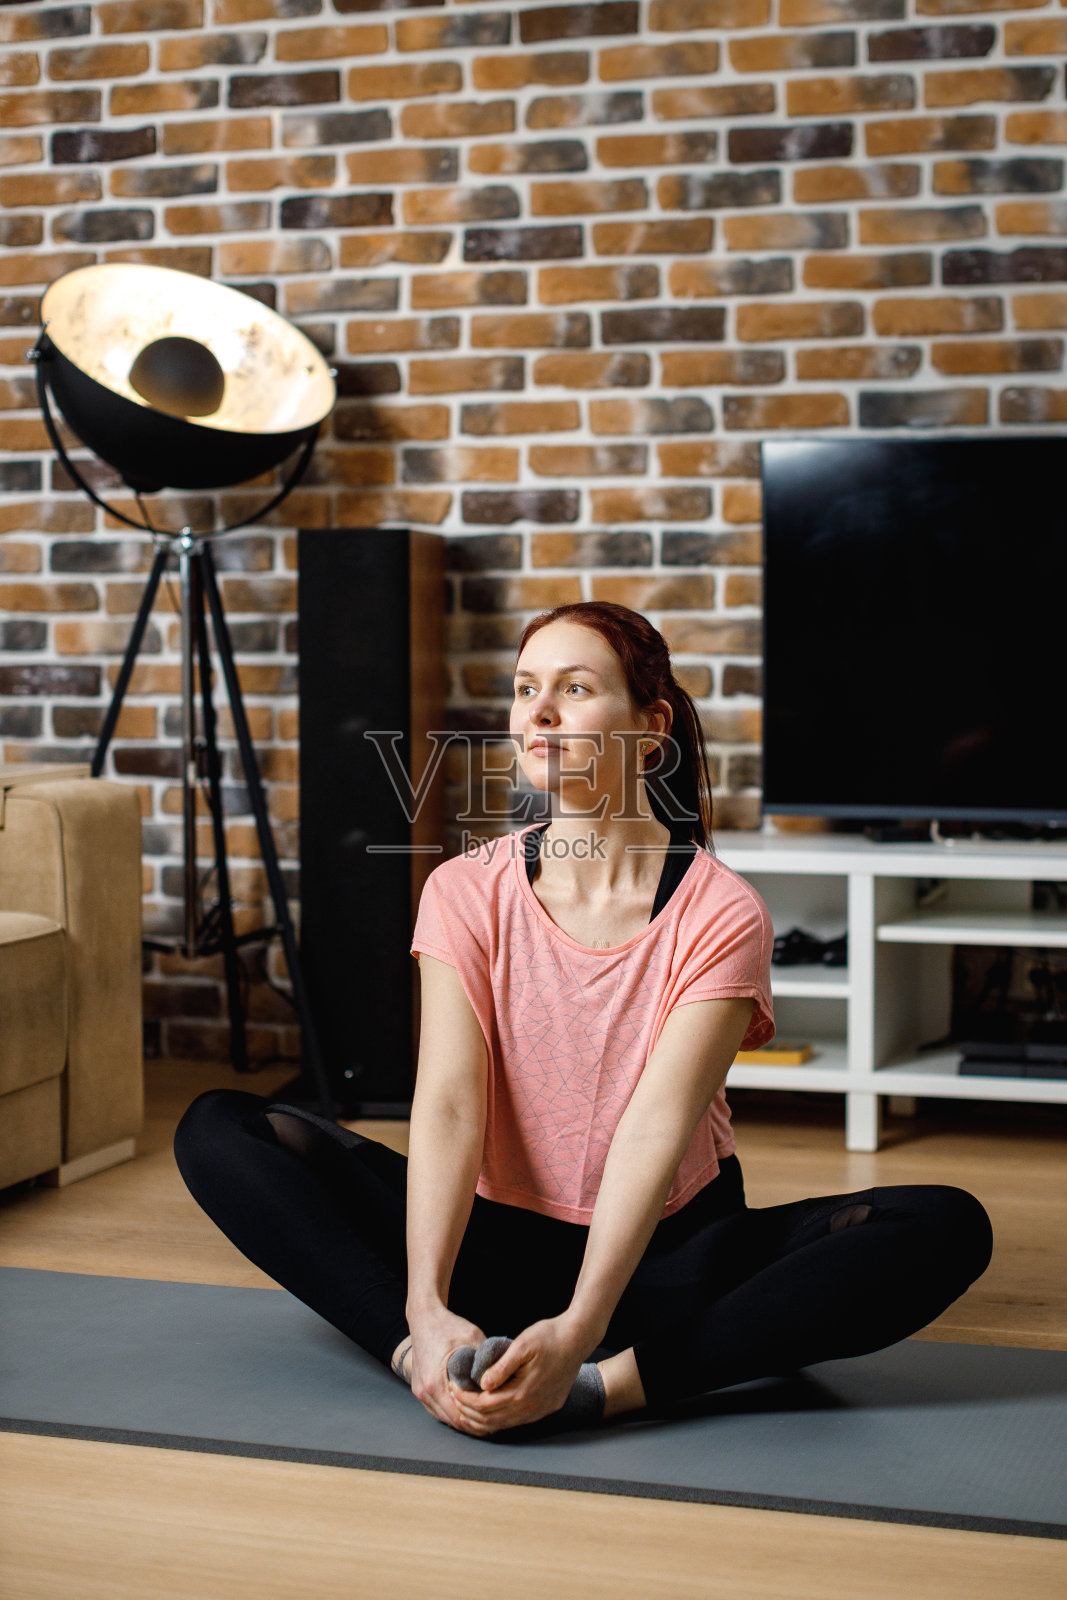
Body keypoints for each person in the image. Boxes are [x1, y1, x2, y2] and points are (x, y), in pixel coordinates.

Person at [174, 600, 994, 1440]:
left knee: (943, 1224)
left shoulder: (720, 911)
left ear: (650, 727)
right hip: (485, 1251)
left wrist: (581, 1331)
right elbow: (452, 1102)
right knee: (217, 1128)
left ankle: (604, 1387)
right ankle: (422, 1354)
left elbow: (655, 1127)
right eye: (526, 688)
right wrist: (423, 1306)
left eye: (574, 687)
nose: (539, 711)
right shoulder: (465, 888)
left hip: (659, 1264)